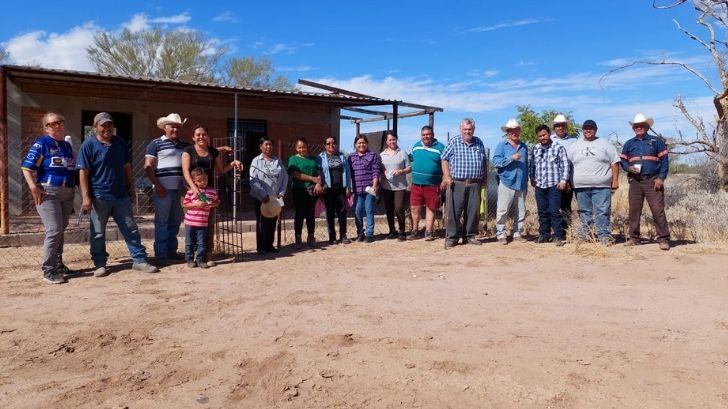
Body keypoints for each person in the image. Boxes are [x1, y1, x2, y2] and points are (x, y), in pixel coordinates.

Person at [77, 112, 158, 277]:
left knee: (130, 229)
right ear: (95, 127)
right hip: (99, 196)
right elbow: (83, 172)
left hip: (121, 195)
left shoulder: (119, 142)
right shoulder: (88, 145)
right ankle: (100, 264)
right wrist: (85, 196)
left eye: (109, 125)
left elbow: (127, 166)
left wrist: (132, 188)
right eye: (103, 125)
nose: (107, 128)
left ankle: (139, 260)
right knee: (98, 232)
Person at [21, 112, 77, 284]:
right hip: (49, 191)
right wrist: (33, 188)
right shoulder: (41, 144)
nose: (57, 125)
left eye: (60, 122)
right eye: (52, 124)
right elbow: (26, 168)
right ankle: (48, 270)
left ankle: (58, 264)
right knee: (53, 230)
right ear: (46, 128)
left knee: (61, 229)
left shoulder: (66, 146)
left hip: (67, 192)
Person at [181, 125, 242, 266]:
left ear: (207, 136)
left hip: (208, 193)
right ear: (193, 137)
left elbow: (221, 170)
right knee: (192, 225)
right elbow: (185, 171)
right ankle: (191, 257)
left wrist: (233, 163)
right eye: (198, 134)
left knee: (208, 225)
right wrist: (193, 188)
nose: (201, 137)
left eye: (204, 134)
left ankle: (206, 256)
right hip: (191, 192)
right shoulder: (188, 150)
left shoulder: (213, 152)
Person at [144, 113, 190, 265]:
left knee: (175, 222)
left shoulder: (184, 146)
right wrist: (157, 185)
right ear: (165, 127)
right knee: (162, 222)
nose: (175, 129)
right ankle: (161, 255)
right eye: (172, 126)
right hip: (163, 189)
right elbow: (148, 165)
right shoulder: (155, 143)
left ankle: (171, 251)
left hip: (179, 190)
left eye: (177, 126)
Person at [620, 114, 670, 250]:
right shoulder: (629, 144)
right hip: (635, 181)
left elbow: (664, 161)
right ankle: (634, 237)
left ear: (647, 127)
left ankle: (663, 239)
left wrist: (661, 178)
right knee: (634, 211)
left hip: (652, 180)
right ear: (633, 128)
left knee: (657, 210)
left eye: (641, 125)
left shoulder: (656, 142)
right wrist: (627, 167)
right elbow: (623, 161)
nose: (639, 128)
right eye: (636, 126)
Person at [568, 120, 620, 244]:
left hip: (601, 185)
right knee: (584, 211)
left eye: (591, 128)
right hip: (580, 186)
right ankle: (586, 235)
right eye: (585, 128)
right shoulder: (575, 145)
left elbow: (615, 162)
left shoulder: (605, 144)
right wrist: (567, 181)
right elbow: (568, 164)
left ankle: (604, 236)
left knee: (602, 210)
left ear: (596, 130)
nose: (588, 130)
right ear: (582, 130)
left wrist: (615, 180)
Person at [441, 118, 488, 248]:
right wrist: (447, 176)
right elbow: (444, 159)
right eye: (465, 129)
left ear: (473, 129)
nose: (468, 131)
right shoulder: (454, 141)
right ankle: (452, 237)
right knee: (454, 212)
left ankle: (469, 236)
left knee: (473, 211)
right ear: (461, 129)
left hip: (475, 183)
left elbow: (484, 161)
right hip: (457, 183)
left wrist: (485, 178)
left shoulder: (479, 142)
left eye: (470, 129)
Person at [528, 124, 569, 246]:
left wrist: (563, 181)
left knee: (554, 211)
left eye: (544, 135)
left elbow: (565, 165)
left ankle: (558, 236)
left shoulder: (558, 147)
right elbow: (532, 165)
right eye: (540, 136)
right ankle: (544, 235)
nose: (542, 137)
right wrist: (532, 178)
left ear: (549, 134)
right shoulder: (535, 148)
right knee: (542, 211)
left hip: (554, 185)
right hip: (540, 184)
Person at [493, 119, 529, 245]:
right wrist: (511, 158)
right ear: (508, 132)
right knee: (503, 210)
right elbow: (496, 162)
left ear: (519, 131)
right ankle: (501, 233)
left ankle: (517, 232)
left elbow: (527, 164)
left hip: (521, 183)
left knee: (521, 210)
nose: (514, 132)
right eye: (511, 130)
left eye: (516, 129)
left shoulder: (524, 147)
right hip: (506, 181)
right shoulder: (501, 146)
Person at [249, 136, 288, 254]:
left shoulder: (278, 161)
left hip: (275, 198)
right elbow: (253, 179)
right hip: (261, 198)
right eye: (266, 144)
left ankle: (269, 245)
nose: (268, 147)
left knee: (272, 221)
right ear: (261, 147)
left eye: (270, 144)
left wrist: (281, 193)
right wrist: (263, 194)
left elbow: (284, 178)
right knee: (261, 221)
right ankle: (261, 247)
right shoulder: (256, 161)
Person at [409, 125, 446, 241]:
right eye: (423, 135)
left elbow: (446, 165)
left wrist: (444, 180)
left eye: (428, 134)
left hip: (433, 185)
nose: (426, 137)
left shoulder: (441, 148)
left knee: (431, 208)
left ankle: (429, 232)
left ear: (433, 135)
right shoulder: (416, 146)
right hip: (416, 184)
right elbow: (410, 160)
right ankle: (415, 231)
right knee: (415, 208)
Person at [314, 136, 352, 245]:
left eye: (333, 143)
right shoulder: (320, 158)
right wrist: (319, 184)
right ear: (324, 145)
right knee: (330, 214)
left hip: (340, 189)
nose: (331, 145)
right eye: (328, 143)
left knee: (342, 213)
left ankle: (343, 235)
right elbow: (318, 172)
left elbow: (348, 172)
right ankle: (332, 237)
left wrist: (349, 187)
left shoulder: (342, 157)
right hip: (328, 190)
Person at [182, 168, 220, 268]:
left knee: (201, 242)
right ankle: (189, 259)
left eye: (205, 180)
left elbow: (217, 202)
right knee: (189, 242)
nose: (203, 182)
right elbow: (185, 205)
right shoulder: (191, 192)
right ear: (193, 181)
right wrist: (196, 204)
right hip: (190, 222)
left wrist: (212, 204)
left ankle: (200, 260)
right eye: (199, 180)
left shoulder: (212, 191)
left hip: (203, 223)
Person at [287, 137, 320, 248]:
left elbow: (319, 172)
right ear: (296, 148)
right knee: (299, 214)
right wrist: (312, 179)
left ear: (307, 147)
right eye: (299, 147)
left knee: (311, 214)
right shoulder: (293, 159)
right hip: (299, 190)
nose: (302, 149)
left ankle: (311, 236)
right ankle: (298, 238)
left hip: (312, 190)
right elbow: (295, 174)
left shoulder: (313, 159)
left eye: (304, 147)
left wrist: (318, 182)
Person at [348, 135, 381, 243]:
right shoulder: (351, 157)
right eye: (359, 143)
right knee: (357, 211)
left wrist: (375, 186)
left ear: (367, 144)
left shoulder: (372, 155)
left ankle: (369, 234)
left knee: (369, 210)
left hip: (369, 189)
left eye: (363, 143)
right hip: (357, 190)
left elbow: (376, 171)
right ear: (355, 145)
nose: (361, 145)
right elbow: (349, 174)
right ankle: (360, 233)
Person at [379, 131, 411, 241]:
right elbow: (379, 170)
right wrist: (383, 174)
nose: (392, 141)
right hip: (386, 186)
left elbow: (409, 168)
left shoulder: (402, 152)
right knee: (389, 209)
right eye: (390, 140)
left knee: (398, 209)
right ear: (386, 142)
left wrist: (401, 171)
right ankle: (392, 231)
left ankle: (402, 231)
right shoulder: (382, 155)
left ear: (396, 140)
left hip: (400, 186)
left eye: (394, 139)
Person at [551, 114, 579, 232]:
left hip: (569, 179)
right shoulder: (550, 140)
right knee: (553, 207)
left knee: (566, 206)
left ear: (566, 126)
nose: (560, 128)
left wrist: (567, 180)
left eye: (562, 125)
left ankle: (567, 231)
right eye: (557, 126)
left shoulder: (574, 141)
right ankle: (556, 232)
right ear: (554, 127)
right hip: (553, 179)